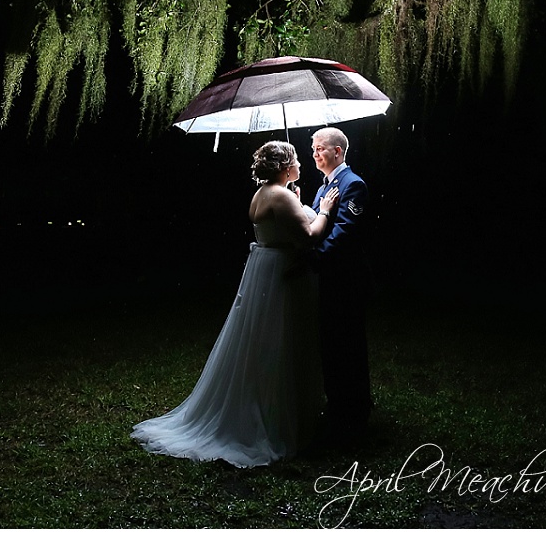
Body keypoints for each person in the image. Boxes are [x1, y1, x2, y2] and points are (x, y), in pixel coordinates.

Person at [131, 141, 339, 468]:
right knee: (280, 342)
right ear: (286, 168)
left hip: (264, 271)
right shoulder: (281, 196)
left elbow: (280, 226)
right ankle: (277, 419)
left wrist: (295, 205)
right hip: (281, 276)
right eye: (296, 159)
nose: (300, 163)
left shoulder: (264, 194)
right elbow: (309, 237)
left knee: (261, 341)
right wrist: (324, 209)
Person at [309, 126, 374, 442]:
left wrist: (317, 257)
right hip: (328, 278)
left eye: (320, 148)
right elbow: (318, 223)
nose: (315, 154)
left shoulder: (353, 185)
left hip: (345, 277)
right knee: (330, 341)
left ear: (337, 151)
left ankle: (356, 410)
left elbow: (344, 232)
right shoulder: (324, 188)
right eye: (313, 149)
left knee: (348, 341)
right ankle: (337, 404)